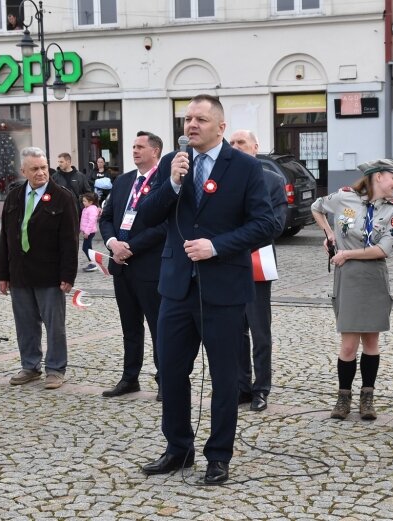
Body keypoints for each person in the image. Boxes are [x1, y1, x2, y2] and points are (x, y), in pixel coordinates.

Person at [137, 94, 275, 485]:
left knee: (224, 378)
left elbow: (265, 224)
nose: (191, 125)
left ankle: (219, 455)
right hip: (177, 288)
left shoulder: (246, 167)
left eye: (200, 119)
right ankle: (178, 448)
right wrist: (174, 185)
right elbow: (146, 216)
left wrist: (217, 246)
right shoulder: (171, 165)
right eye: (187, 119)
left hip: (224, 288)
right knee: (173, 373)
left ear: (220, 126)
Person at [311, 159, 393, 421]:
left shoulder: (391, 211)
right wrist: (329, 234)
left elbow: (383, 249)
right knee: (349, 345)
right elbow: (316, 208)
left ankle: (367, 397)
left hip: (374, 276)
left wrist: (346, 253)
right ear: (377, 177)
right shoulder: (343, 199)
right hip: (348, 277)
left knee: (371, 341)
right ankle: (343, 398)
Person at [0, 147, 79, 390]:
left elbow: (70, 240)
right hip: (20, 272)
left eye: (44, 167)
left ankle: (55, 368)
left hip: (50, 274)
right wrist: (3, 274)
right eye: (35, 169)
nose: (41, 172)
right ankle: (30, 366)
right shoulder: (14, 196)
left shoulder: (62, 197)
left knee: (54, 325)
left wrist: (68, 275)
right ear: (23, 171)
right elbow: (6, 239)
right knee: (25, 323)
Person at [98, 131, 166, 400]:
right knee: (130, 327)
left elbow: (164, 225)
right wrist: (113, 242)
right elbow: (107, 217)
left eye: (140, 147)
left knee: (158, 326)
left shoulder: (165, 181)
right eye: (133, 146)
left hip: (149, 267)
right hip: (121, 265)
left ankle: (165, 380)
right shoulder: (124, 180)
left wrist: (132, 247)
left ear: (155, 151)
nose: (135, 150)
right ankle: (130, 378)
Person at [229, 129, 287, 412]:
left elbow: (275, 225)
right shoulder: (223, 177)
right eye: (232, 142)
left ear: (255, 147)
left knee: (259, 331)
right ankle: (241, 387)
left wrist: (236, 240)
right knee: (234, 330)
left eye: (241, 142)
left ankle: (261, 388)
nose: (235, 146)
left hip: (256, 261)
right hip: (226, 263)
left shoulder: (272, 180)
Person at [79, 192, 101, 272]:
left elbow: (91, 222)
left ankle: (93, 263)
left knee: (85, 248)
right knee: (88, 247)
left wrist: (87, 232)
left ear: (91, 202)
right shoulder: (87, 208)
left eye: (84, 201)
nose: (83, 202)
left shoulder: (91, 209)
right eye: (83, 201)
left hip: (90, 232)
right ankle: (93, 262)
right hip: (87, 231)